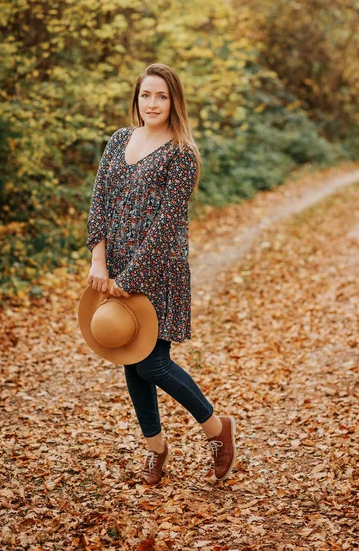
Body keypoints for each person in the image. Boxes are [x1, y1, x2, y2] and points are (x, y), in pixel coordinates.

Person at [85, 63, 236, 485]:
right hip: (115, 268)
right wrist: (100, 260)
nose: (152, 103)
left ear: (175, 102)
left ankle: (217, 429)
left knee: (152, 363)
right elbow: (100, 201)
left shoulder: (181, 154)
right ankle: (155, 448)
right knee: (130, 362)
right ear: (137, 98)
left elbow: (167, 224)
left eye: (161, 96)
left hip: (158, 270)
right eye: (146, 95)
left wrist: (129, 279)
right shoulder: (118, 140)